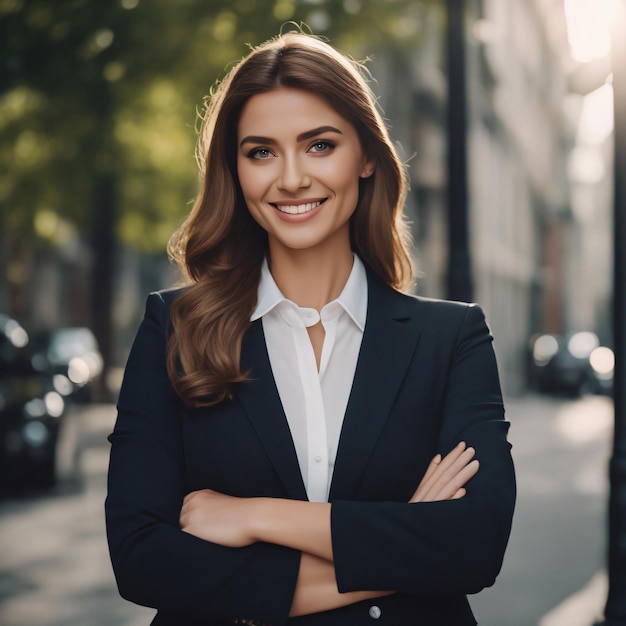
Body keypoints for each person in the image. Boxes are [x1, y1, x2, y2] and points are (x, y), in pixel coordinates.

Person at [105, 31, 515, 626]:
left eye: (319, 145)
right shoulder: (173, 328)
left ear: (367, 155)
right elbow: (142, 559)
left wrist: (255, 517)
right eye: (261, 152)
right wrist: (405, 542)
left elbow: (475, 546)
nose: (291, 178)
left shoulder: (451, 339)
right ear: (234, 169)